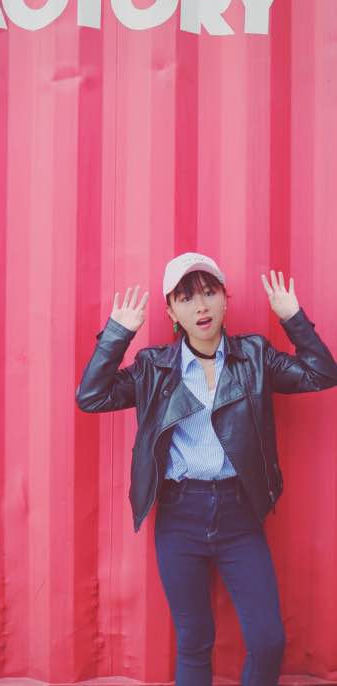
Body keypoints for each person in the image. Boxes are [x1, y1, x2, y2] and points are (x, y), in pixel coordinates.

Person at [75, 252, 337, 686]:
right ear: (170, 311)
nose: (201, 306)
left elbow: (321, 374)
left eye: (209, 293)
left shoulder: (255, 356)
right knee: (194, 641)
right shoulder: (154, 367)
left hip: (240, 514)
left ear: (224, 299)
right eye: (186, 298)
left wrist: (294, 319)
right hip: (180, 516)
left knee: (268, 640)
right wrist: (118, 334)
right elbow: (92, 396)